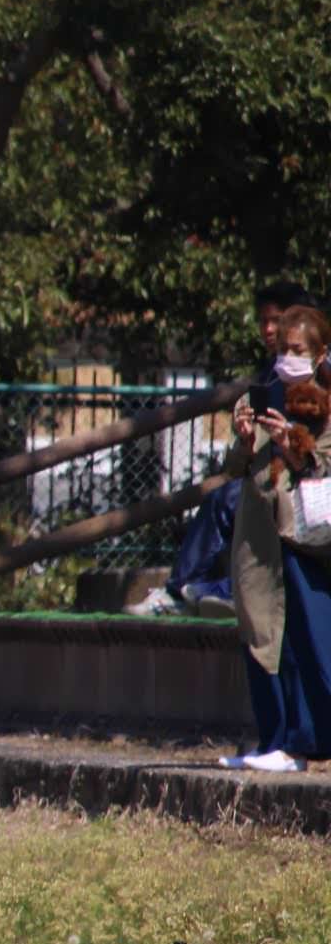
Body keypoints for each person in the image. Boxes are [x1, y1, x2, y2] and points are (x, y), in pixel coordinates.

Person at [136, 281, 318, 615]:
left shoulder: (321, 379)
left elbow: (316, 453)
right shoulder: (269, 378)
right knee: (229, 498)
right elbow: (240, 461)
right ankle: (187, 591)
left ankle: (210, 591)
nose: (268, 329)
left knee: (246, 502)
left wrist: (290, 446)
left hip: (309, 491)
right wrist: (247, 441)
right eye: (263, 321)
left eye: (276, 321)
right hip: (269, 483)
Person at [221, 304, 331, 772]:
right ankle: (274, 738)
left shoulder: (324, 403)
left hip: (307, 533)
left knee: (303, 637)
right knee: (258, 630)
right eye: (283, 348)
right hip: (258, 533)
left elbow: (322, 463)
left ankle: (302, 743)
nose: (288, 358)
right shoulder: (262, 398)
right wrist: (247, 442)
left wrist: (295, 448)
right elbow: (234, 468)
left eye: (297, 349)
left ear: (319, 353)